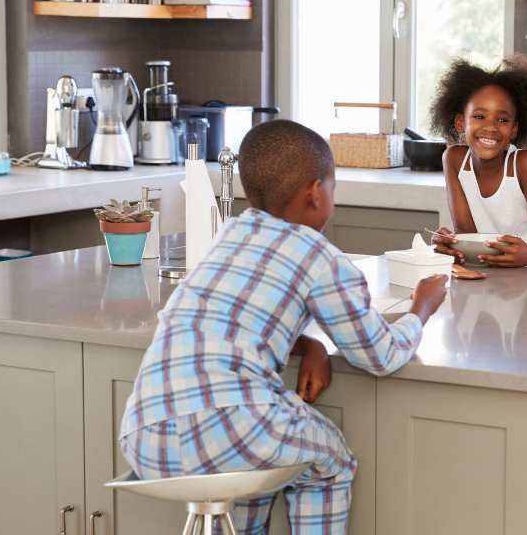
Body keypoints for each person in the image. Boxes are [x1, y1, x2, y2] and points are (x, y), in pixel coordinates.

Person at [118, 120, 448, 535]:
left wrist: (308, 345)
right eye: (333, 189)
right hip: (227, 424)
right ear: (315, 192)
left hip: (144, 435)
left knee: (249, 472)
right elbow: (380, 355)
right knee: (330, 463)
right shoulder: (319, 257)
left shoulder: (229, 236)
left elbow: (234, 321)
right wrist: (421, 308)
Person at [429, 58, 527, 266]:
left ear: (514, 129)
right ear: (460, 122)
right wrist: (451, 244)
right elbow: (467, 233)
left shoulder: (524, 164)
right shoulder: (453, 160)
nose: (491, 127)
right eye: (479, 116)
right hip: (504, 271)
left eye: (502, 120)